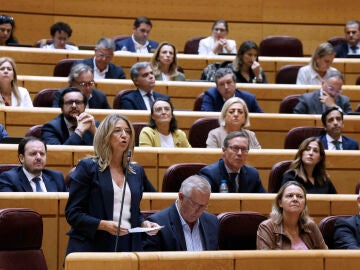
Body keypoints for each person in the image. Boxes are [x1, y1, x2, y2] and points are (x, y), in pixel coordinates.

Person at [65, 114, 160, 254]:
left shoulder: (136, 171)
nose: (124, 135)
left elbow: (133, 211)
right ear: (105, 135)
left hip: (128, 246)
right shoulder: (87, 167)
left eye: (127, 131)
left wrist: (143, 223)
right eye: (117, 130)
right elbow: (73, 214)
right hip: (93, 247)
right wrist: (103, 225)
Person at [143, 175, 219, 251]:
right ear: (181, 197)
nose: (199, 211)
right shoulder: (157, 223)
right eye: (195, 205)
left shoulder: (212, 222)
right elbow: (152, 262)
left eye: (204, 206)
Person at [257, 181, 327, 249]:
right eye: (290, 196)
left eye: (300, 196)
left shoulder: (310, 227)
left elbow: (326, 257)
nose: (295, 199)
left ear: (304, 204)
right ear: (280, 202)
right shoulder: (267, 227)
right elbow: (265, 260)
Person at [200, 131, 266, 193]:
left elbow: (264, 201)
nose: (240, 153)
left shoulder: (252, 174)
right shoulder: (209, 173)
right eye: (235, 148)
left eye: (243, 149)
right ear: (224, 150)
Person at [0, 137, 67, 192]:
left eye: (42, 154)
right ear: (22, 158)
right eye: (33, 154)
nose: (39, 157)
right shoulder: (9, 179)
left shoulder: (57, 177)